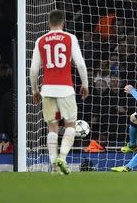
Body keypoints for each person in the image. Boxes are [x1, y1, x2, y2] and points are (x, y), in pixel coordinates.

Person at [30, 10, 89, 175]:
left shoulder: (40, 40)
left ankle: (54, 166)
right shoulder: (70, 38)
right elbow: (80, 64)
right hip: (66, 89)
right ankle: (62, 157)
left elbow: (34, 69)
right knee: (70, 125)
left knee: (52, 129)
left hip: (47, 89)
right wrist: (85, 84)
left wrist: (35, 90)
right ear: (63, 22)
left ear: (49, 23)